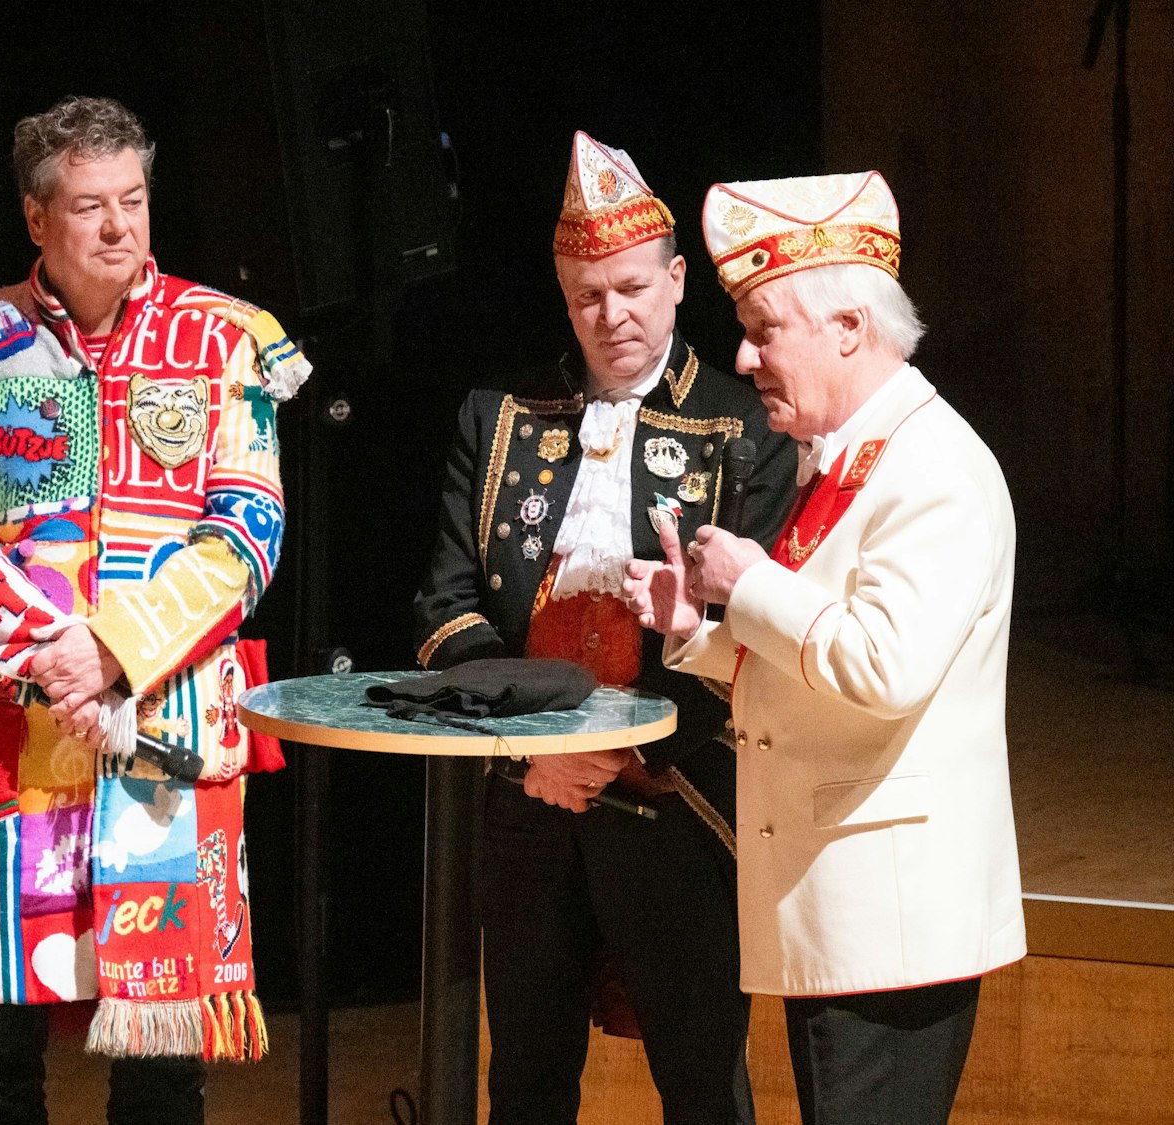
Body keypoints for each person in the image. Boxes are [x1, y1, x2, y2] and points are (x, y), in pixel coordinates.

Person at [0, 95, 306, 1125]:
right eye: (90, 205)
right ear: (38, 219)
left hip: (163, 724)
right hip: (12, 722)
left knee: (161, 1054)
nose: (120, 226)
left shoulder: (223, 339)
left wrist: (116, 651)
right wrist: (53, 654)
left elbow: (247, 529)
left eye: (132, 199)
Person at [622, 170, 1023, 1124]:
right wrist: (699, 630)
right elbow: (815, 657)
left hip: (889, 923)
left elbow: (883, 665)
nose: (744, 352)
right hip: (837, 914)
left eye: (765, 328)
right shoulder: (851, 455)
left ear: (850, 327)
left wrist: (752, 581)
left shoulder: (934, 469)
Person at [412, 132, 794, 1124]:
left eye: (629, 288)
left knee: (700, 1078)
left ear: (673, 282)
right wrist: (544, 751)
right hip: (524, 791)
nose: (610, 315)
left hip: (672, 792)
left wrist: (619, 750)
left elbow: (748, 627)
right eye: (586, 294)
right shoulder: (496, 417)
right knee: (527, 1076)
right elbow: (445, 610)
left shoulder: (745, 425)